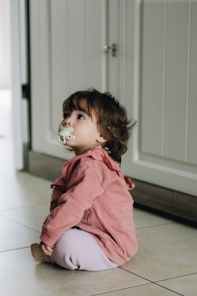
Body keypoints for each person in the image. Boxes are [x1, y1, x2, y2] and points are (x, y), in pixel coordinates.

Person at [30, 89, 138, 271]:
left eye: (80, 117)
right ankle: (55, 250)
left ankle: (53, 255)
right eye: (67, 114)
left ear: (103, 135)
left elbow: (73, 203)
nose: (67, 121)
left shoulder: (92, 166)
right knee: (63, 233)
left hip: (110, 245)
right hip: (93, 234)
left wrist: (50, 233)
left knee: (66, 243)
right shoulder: (88, 161)